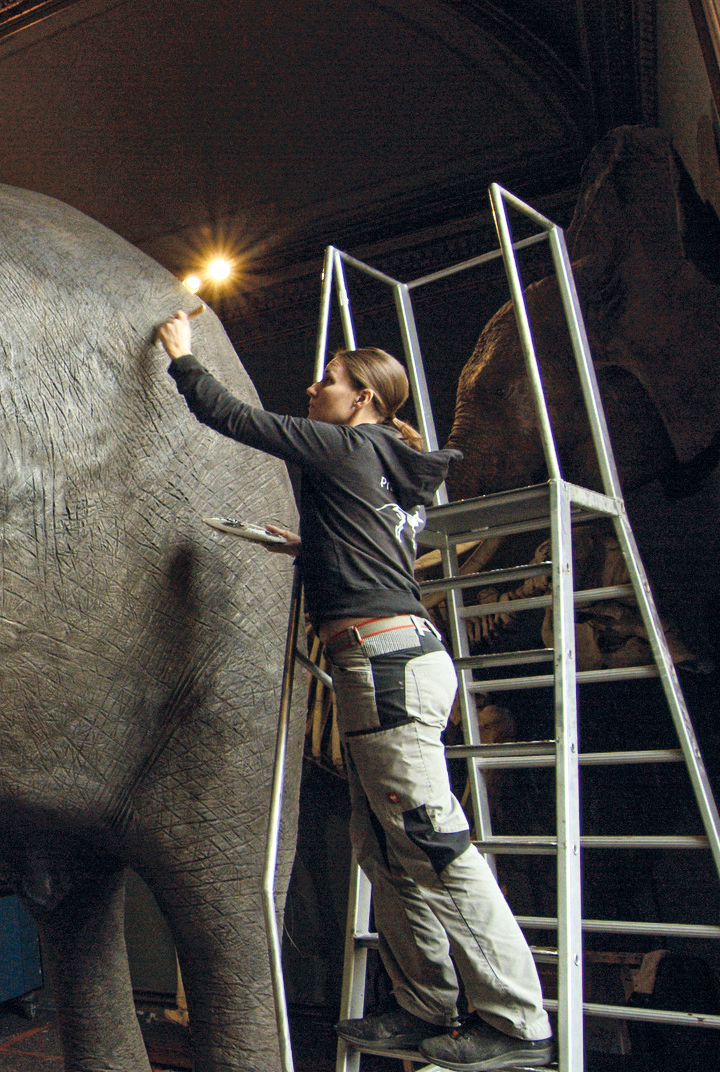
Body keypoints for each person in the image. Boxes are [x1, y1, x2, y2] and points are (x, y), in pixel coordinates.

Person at [154, 310, 554, 1072]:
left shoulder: (345, 445)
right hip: (385, 658)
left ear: (365, 400)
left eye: (331, 380)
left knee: (433, 844)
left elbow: (231, 416)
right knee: (383, 849)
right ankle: (424, 1005)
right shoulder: (379, 464)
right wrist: (313, 548)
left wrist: (181, 355)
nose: (316, 386)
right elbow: (375, 552)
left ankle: (516, 1020)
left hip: (385, 662)